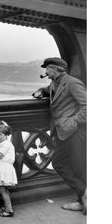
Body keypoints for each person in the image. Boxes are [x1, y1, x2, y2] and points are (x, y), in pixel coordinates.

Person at [33, 57, 87, 214]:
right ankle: (84, 195)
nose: (46, 72)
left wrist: (74, 121)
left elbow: (88, 106)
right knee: (59, 163)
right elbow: (50, 90)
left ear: (57, 69)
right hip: (63, 132)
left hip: (75, 132)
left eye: (48, 69)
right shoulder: (54, 83)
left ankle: (82, 198)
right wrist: (40, 91)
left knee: (78, 165)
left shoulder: (73, 83)